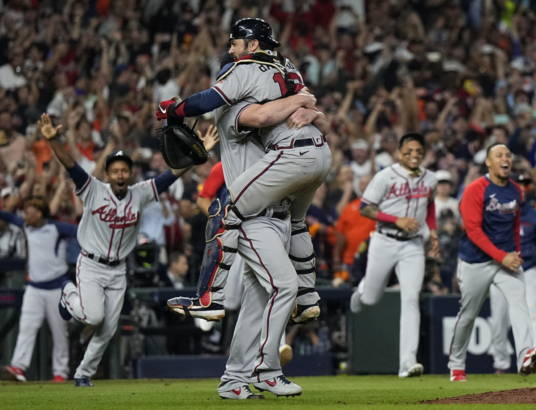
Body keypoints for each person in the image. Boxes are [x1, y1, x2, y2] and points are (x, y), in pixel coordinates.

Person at [161, 18, 331, 330]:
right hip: (319, 153)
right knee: (298, 222)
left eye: (234, 44)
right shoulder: (288, 66)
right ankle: (307, 298)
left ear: (252, 45)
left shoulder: (244, 71)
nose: (231, 50)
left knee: (224, 207)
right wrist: (309, 104)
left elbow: (211, 100)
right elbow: (306, 99)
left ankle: (208, 298)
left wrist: (173, 110)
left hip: (286, 161)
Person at [37, 113, 217, 387]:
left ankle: (83, 373)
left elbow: (170, 176)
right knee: (94, 316)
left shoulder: (140, 192)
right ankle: (67, 294)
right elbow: (70, 163)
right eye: (115, 171)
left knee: (108, 328)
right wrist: (53, 142)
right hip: (91, 264)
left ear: (129, 173)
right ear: (107, 174)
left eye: (124, 170)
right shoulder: (92, 189)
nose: (120, 175)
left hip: (118, 269)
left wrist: (196, 153)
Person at [448, 143, 536, 382]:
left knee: (520, 303)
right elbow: (473, 231)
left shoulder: (516, 191)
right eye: (499, 155)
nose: (505, 159)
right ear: (488, 163)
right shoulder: (474, 189)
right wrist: (502, 256)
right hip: (476, 262)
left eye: (508, 155)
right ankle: (457, 364)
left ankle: (525, 355)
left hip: (506, 261)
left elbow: (514, 228)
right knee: (468, 314)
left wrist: (516, 253)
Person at [349, 132, 438, 378]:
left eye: (419, 151)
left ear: (424, 154)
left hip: (413, 245)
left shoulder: (430, 178)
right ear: (399, 152)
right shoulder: (385, 175)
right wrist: (396, 220)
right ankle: (362, 291)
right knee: (371, 299)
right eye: (409, 151)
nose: (414, 155)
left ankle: (407, 362)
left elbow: (429, 205)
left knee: (411, 298)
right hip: (384, 240)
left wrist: (435, 234)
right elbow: (366, 208)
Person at [2, 197, 77, 383]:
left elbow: (81, 232)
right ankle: (18, 367)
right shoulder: (27, 226)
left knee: (60, 332)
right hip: (34, 288)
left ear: (39, 214)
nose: (24, 215)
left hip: (56, 287)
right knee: (26, 327)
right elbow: (9, 217)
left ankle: (60, 372)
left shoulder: (58, 228)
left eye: (28, 212)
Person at [490, 173, 536, 374]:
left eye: (526, 185)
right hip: (500, 269)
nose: (522, 188)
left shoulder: (534, 214)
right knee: (499, 318)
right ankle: (501, 363)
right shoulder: (498, 210)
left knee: (532, 311)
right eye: (518, 184)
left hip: (527, 269)